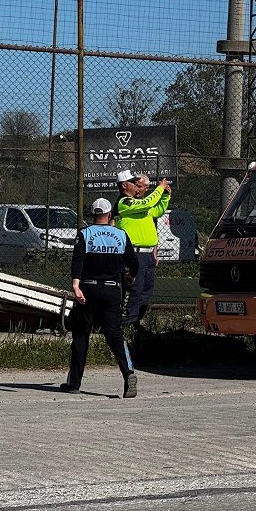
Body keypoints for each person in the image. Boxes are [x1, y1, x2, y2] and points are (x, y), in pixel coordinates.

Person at [62, 197, 139, 398]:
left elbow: (77, 260)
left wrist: (76, 286)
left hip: (88, 289)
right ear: (109, 215)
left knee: (81, 334)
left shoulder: (85, 234)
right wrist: (131, 275)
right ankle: (128, 372)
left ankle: (74, 382)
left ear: (93, 215)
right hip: (112, 290)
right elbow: (133, 262)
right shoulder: (121, 235)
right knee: (114, 334)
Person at [113, 169, 171, 324]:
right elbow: (148, 202)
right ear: (125, 186)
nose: (137, 187)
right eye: (134, 183)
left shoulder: (140, 205)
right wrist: (160, 188)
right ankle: (126, 322)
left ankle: (137, 319)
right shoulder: (124, 202)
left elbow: (156, 210)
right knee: (133, 289)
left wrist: (165, 196)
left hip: (147, 254)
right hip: (134, 254)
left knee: (146, 290)